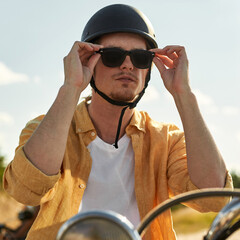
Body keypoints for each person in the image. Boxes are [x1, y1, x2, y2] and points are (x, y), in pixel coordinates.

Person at [3, 4, 233, 240]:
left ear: (148, 70)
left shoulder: (166, 140)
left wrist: (183, 94)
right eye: (113, 56)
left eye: (140, 57)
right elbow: (24, 191)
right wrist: (70, 87)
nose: (128, 64)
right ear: (88, 61)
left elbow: (213, 198)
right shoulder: (43, 129)